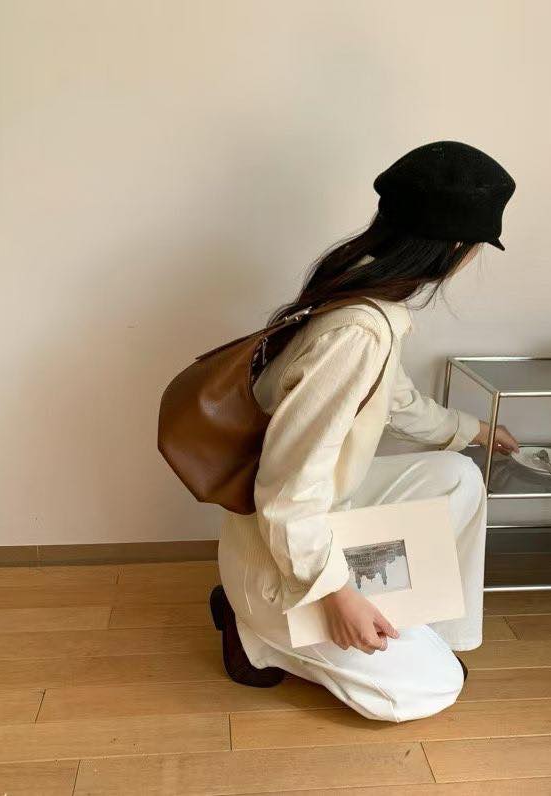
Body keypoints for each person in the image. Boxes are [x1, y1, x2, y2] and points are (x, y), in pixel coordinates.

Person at [210, 140, 519, 722]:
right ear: (455, 248)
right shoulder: (359, 332)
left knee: (457, 477)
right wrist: (337, 594)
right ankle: (253, 634)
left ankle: (422, 631)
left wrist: (476, 430)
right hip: (280, 560)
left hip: (306, 523)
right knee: (432, 689)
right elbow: (286, 492)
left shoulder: (362, 292)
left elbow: (398, 401)